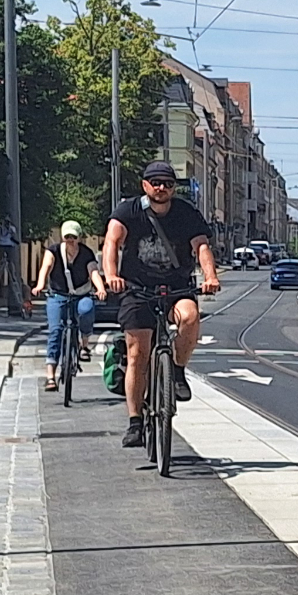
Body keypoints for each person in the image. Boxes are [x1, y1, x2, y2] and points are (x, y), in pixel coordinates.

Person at [101, 161, 222, 449]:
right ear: (145, 185)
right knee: (137, 354)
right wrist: (111, 275)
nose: (161, 188)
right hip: (138, 288)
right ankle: (134, 421)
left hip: (177, 286)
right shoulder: (128, 211)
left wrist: (210, 276)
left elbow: (201, 246)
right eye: (155, 182)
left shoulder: (186, 213)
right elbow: (112, 241)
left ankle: (177, 370)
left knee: (190, 318)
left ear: (173, 187)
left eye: (167, 183)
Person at [33, 220, 103, 392]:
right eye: (67, 236)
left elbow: (93, 271)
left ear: (79, 237)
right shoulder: (54, 251)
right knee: (55, 331)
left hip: (81, 294)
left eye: (74, 236)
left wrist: (100, 288)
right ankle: (50, 376)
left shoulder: (86, 253)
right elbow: (46, 267)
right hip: (58, 295)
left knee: (86, 310)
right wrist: (40, 285)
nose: (70, 239)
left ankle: (84, 345)